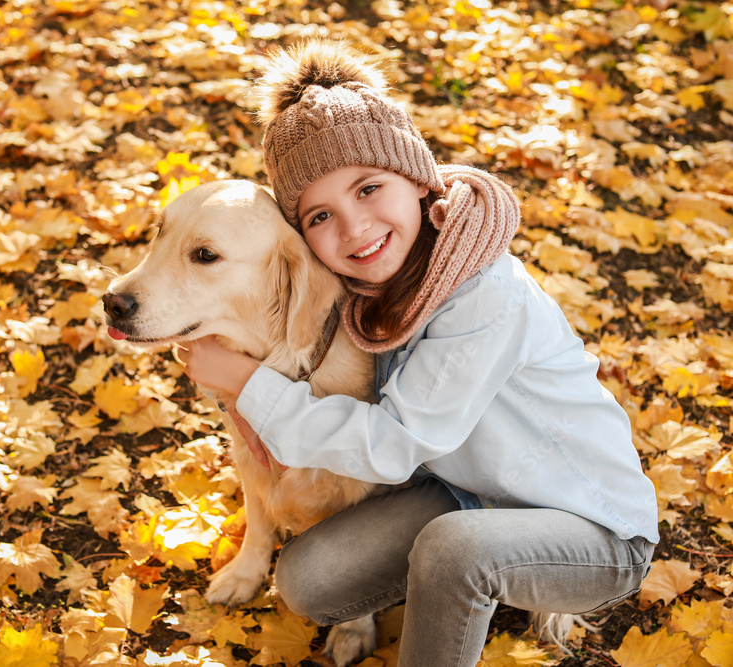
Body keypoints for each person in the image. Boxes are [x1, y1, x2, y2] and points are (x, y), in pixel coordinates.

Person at [177, 41, 659, 666]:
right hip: (466, 492)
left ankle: (477, 589)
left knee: (456, 551)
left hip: (590, 528)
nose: (353, 227)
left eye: (370, 188)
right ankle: (470, 580)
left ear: (419, 179)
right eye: (320, 214)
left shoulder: (486, 293)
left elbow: (394, 444)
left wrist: (249, 383)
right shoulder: (367, 290)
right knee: (311, 582)